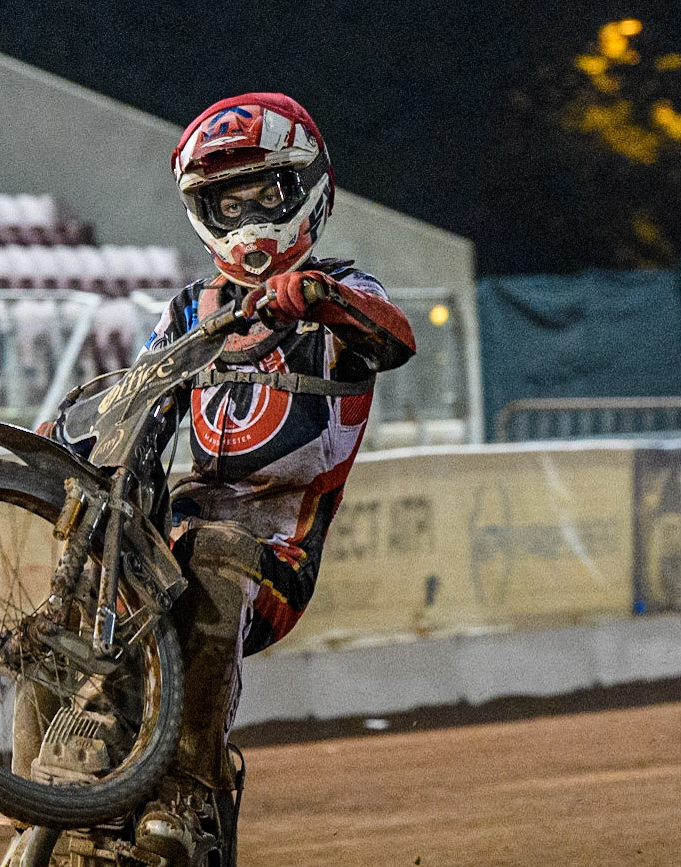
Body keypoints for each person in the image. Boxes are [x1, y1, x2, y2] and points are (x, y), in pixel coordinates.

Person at [32, 93, 416, 800]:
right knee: (75, 576)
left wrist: (316, 297)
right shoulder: (187, 309)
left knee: (214, 553)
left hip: (274, 556)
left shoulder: (343, 290)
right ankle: (34, 800)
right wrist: (73, 438)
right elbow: (139, 397)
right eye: (226, 204)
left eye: (263, 193)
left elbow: (394, 337)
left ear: (305, 188)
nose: (246, 218)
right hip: (174, 538)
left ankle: (188, 785)